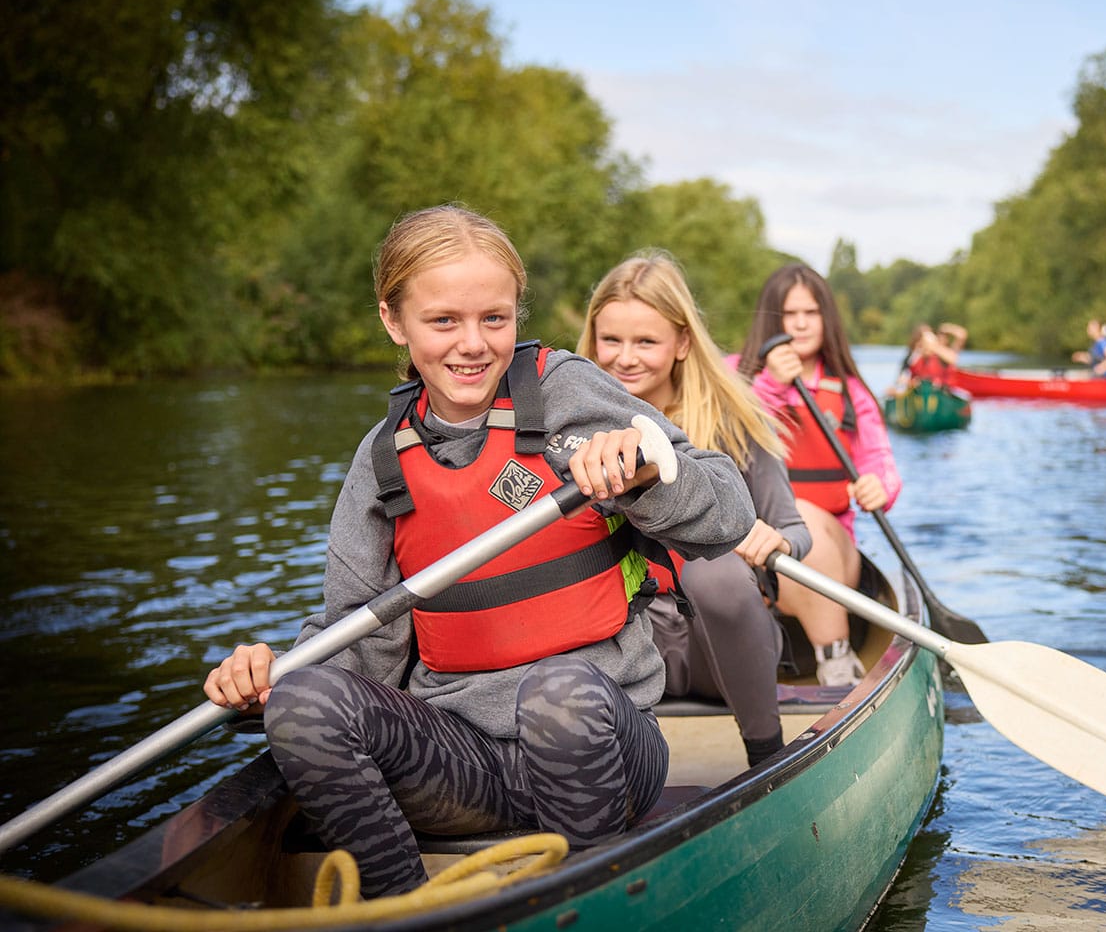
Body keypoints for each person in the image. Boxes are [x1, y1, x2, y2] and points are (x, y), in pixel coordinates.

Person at [202, 205, 754, 898]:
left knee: (558, 697)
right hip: (465, 763)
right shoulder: (382, 460)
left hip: (602, 744)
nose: (473, 344)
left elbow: (729, 511)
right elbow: (357, 644)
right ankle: (401, 907)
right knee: (303, 701)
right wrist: (270, 676)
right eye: (444, 322)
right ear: (393, 321)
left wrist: (646, 471)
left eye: (495, 318)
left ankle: (593, 897)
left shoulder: (564, 390)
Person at [577, 250, 812, 766]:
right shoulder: (569, 424)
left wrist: (779, 539)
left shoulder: (736, 421)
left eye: (646, 342)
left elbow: (796, 530)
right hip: (621, 643)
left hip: (716, 649)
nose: (624, 357)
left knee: (714, 573)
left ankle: (766, 756)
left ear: (682, 342)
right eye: (610, 340)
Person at [734, 261, 902, 687]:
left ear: (828, 319)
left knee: (803, 519)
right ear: (771, 320)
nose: (802, 325)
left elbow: (881, 461)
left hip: (829, 550)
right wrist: (772, 383)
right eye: (790, 316)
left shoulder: (851, 392)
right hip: (746, 548)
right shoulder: (733, 374)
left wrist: (878, 485)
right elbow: (729, 433)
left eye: (812, 313)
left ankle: (837, 661)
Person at [901, 322, 967, 387]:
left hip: (942, 391)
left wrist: (947, 328)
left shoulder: (942, 354)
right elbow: (904, 377)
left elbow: (961, 335)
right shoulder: (915, 356)